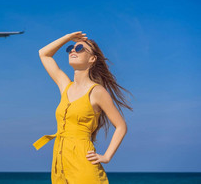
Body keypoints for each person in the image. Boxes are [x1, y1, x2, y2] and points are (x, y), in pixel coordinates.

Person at [33, 31, 133, 184]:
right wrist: (68, 38)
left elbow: (121, 126)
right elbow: (44, 54)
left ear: (92, 59)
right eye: (71, 48)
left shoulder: (97, 92)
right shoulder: (65, 86)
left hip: (83, 165)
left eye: (79, 48)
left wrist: (106, 156)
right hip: (59, 165)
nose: (73, 50)